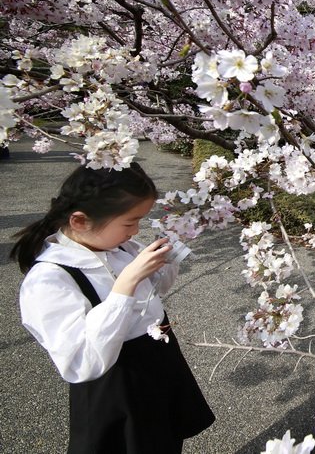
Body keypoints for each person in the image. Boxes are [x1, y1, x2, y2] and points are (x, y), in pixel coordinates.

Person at [11, 162, 214, 453]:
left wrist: (167, 261)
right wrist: (126, 284)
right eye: (130, 222)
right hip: (115, 386)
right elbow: (83, 362)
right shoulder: (49, 280)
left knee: (165, 440)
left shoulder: (118, 248)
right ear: (80, 221)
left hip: (158, 364)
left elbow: (152, 297)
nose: (136, 231)